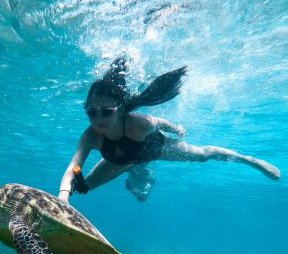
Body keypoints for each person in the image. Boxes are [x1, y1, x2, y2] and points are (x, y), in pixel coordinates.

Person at [58, 57, 280, 202]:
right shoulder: (90, 136)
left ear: (121, 109)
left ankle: (249, 160)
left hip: (157, 149)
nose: (98, 119)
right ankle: (133, 171)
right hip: (120, 160)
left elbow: (160, 122)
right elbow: (72, 168)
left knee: (203, 156)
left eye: (106, 111)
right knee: (81, 188)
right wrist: (62, 197)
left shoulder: (139, 123)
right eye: (91, 112)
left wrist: (177, 130)